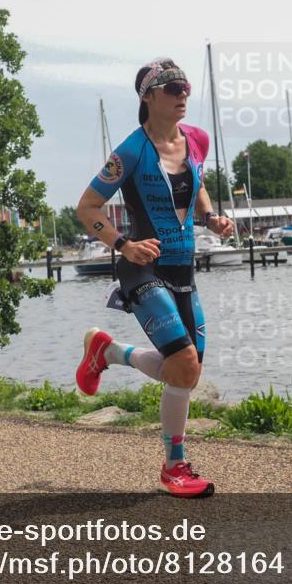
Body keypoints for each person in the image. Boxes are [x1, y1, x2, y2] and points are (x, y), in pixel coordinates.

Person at [75, 58, 235, 498]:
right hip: (141, 267)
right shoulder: (130, 151)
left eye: (185, 86)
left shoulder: (196, 139)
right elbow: (86, 208)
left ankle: (108, 353)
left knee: (186, 372)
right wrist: (124, 244)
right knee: (183, 363)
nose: (184, 93)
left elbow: (197, 183)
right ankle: (174, 467)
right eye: (173, 88)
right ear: (148, 96)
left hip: (183, 268)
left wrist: (211, 218)